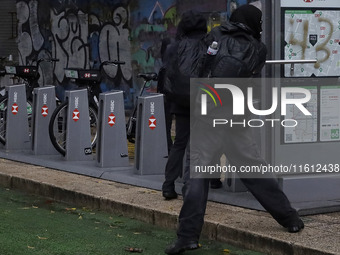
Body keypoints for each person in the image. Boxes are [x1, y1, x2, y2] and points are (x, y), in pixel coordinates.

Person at [165, 5, 304, 255]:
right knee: (255, 170)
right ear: (254, 24)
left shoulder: (214, 36)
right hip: (237, 119)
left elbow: (198, 70)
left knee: (198, 175)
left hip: (207, 117)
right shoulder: (258, 49)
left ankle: (187, 237)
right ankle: (290, 218)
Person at [161, 11, 208, 200]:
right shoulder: (209, 45)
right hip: (203, 100)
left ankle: (168, 185)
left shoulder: (174, 47)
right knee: (199, 145)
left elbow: (168, 74)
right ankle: (194, 185)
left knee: (179, 143)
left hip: (180, 101)